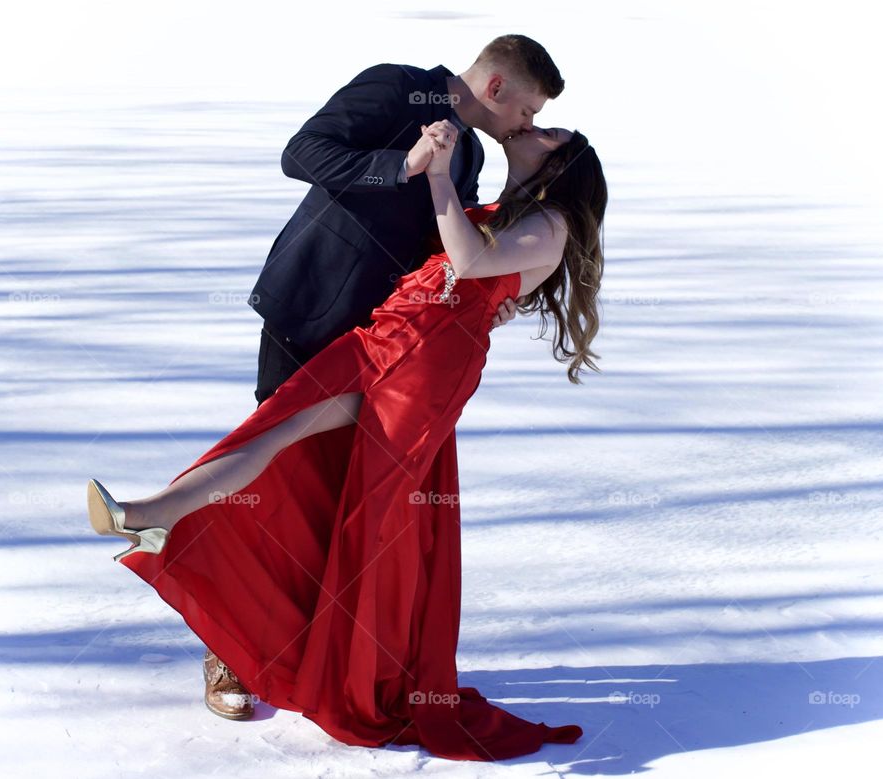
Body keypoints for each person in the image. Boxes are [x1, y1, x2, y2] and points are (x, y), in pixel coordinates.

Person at [87, 118, 607, 761]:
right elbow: (470, 266)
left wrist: (441, 179)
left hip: (426, 369)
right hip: (383, 339)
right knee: (277, 432)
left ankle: (364, 676)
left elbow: (472, 262)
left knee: (375, 518)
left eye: (549, 128)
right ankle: (150, 515)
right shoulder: (504, 210)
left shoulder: (553, 223)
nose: (532, 126)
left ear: (563, 159)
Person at [206, 34, 564, 719]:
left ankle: (302, 649)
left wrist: (492, 290)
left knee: (332, 493)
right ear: (494, 89)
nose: (525, 124)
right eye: (526, 109)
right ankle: (225, 644)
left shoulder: (470, 155)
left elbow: (440, 242)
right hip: (308, 311)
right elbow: (302, 154)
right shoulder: (399, 87)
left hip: (382, 344)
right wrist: (401, 161)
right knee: (269, 480)